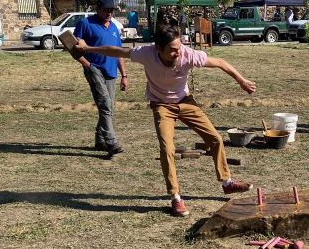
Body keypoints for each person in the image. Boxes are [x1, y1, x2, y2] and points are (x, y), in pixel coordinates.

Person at [73, 25, 255, 217]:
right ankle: (176, 197)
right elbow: (116, 51)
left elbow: (220, 62)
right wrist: (88, 48)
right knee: (167, 149)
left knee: (215, 139)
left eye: (179, 47)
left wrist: (241, 81)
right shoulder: (146, 53)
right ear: (158, 48)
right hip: (162, 106)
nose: (178, 52)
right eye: (173, 49)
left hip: (185, 102)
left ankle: (227, 183)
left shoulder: (188, 54)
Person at [72, 0, 128, 155]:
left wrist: (124, 75)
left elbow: (119, 53)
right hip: (94, 69)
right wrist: (87, 65)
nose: (109, 13)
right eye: (106, 10)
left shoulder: (114, 27)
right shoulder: (85, 24)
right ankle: (111, 142)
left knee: (108, 107)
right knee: (105, 104)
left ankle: (100, 140)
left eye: (112, 10)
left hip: (111, 72)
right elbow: (73, 47)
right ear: (98, 9)